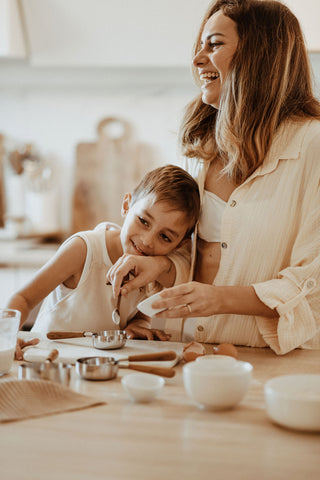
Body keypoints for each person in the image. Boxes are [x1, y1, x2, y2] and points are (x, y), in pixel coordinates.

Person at [107, 0, 320, 355]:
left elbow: (313, 281)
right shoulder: (202, 147)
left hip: (277, 361)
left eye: (215, 44)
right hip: (188, 350)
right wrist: (161, 266)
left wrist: (218, 299)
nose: (197, 59)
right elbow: (200, 255)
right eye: (201, 44)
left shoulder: (312, 145)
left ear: (258, 55)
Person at [8, 164, 200, 359]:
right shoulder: (83, 250)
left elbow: (138, 313)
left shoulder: (151, 267)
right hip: (45, 362)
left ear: (179, 245)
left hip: (96, 370)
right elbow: (23, 299)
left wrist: (139, 324)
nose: (147, 241)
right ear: (127, 204)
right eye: (143, 221)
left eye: (165, 237)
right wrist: (6, 337)